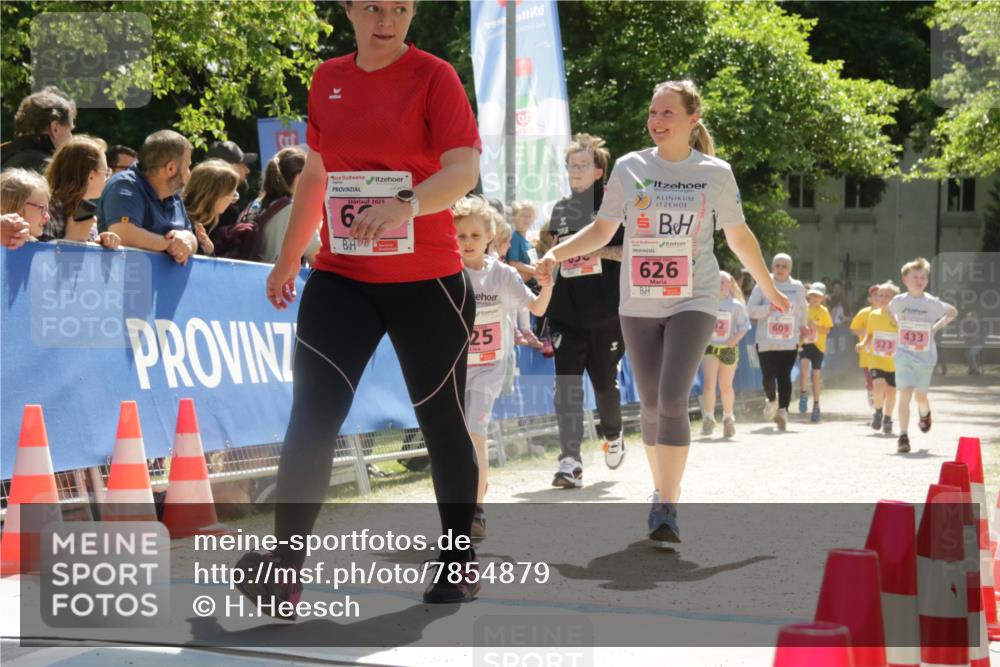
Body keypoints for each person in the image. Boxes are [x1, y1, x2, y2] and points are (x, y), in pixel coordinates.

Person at [233, 0, 483, 612]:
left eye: (400, 7)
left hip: (427, 279)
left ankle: (458, 558)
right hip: (342, 277)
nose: (386, 18)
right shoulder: (328, 78)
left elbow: (464, 169)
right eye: (373, 5)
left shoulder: (434, 76)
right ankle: (284, 568)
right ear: (349, 9)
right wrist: (291, 256)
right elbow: (316, 173)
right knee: (311, 420)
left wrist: (406, 204)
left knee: (441, 421)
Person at [537, 79, 788, 544]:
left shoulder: (716, 172)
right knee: (651, 403)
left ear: (693, 120)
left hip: (695, 296)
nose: (656, 121)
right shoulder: (631, 167)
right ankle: (660, 487)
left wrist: (768, 287)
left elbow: (738, 236)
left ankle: (667, 506)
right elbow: (601, 229)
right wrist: (559, 253)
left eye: (667, 113)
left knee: (672, 398)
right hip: (638, 301)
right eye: (652, 113)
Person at [454, 195, 553, 539]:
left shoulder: (502, 275)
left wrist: (548, 284)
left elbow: (537, 309)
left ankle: (475, 512)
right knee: (454, 441)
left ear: (490, 237)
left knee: (475, 433)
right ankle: (471, 496)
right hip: (452, 370)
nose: (467, 243)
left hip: (488, 367)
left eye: (475, 236)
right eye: (461, 236)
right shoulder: (445, 272)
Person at [543, 133, 628, 487]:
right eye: (570, 166)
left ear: (598, 172)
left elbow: (631, 253)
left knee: (604, 385)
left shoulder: (616, 206)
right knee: (566, 386)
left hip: (607, 312)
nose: (574, 171)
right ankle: (570, 461)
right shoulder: (560, 209)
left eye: (582, 166)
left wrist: (597, 251)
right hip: (566, 311)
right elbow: (551, 249)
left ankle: (613, 433)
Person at [887, 257, 958, 453]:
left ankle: (925, 413)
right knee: (905, 393)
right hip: (903, 354)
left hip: (925, 357)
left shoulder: (931, 302)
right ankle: (903, 436)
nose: (919, 280)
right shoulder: (900, 300)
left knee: (920, 396)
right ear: (905, 280)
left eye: (923, 277)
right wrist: (897, 323)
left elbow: (953, 312)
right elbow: (889, 310)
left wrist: (934, 329)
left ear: (926, 281)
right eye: (915, 277)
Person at [100, 130, 198, 265]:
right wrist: (171, 244)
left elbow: (191, 236)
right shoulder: (124, 184)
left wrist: (186, 241)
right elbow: (124, 234)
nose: (189, 174)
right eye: (187, 167)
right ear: (170, 168)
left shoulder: (174, 196)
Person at [747, 253, 807, 431]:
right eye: (777, 265)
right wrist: (769, 309)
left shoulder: (797, 287)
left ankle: (782, 411)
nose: (780, 269)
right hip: (766, 340)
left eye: (784, 266)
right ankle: (772, 399)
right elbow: (750, 310)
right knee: (767, 377)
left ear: (790, 269)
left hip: (789, 340)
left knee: (784, 376)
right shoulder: (763, 285)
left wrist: (803, 327)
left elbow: (802, 310)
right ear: (772, 267)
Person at [42, 135, 120, 249]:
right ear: (91, 177)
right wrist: (72, 240)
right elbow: (39, 261)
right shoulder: (46, 211)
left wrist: (100, 243)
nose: (107, 178)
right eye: (106, 172)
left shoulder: (85, 210)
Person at [700, 271, 750, 438]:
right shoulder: (706, 303)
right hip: (710, 348)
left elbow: (744, 327)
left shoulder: (736, 305)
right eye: (717, 281)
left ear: (730, 284)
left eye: (724, 282)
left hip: (728, 349)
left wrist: (734, 339)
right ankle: (708, 418)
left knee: (726, 386)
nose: (721, 284)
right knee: (708, 384)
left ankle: (728, 418)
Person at [252, 147, 317, 264]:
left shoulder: (254, 205)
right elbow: (317, 259)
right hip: (279, 280)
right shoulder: (295, 211)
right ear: (299, 177)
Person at [856, 280, 900, 436]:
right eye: (880, 295)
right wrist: (862, 343)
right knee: (878, 387)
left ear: (894, 298)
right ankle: (878, 413)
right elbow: (869, 335)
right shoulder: (873, 315)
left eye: (886, 295)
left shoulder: (901, 316)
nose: (882, 298)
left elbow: (906, 336)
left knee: (892, 393)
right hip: (876, 358)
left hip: (895, 361)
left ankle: (888, 419)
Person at [1, 86, 76, 173]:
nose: (71, 137)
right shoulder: (53, 172)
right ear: (55, 128)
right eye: (70, 130)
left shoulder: (5, 156)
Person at [182, 159, 241, 256]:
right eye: (231, 194)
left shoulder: (200, 220)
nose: (232, 201)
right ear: (214, 196)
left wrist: (209, 251)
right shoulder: (179, 220)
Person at [797, 282, 834, 422]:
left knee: (816, 376)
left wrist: (816, 327)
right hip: (805, 344)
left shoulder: (824, 311)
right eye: (812, 296)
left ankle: (816, 405)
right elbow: (797, 325)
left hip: (818, 346)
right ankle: (803, 394)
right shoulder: (803, 309)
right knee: (804, 369)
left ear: (823, 298)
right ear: (808, 296)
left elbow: (828, 330)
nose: (815, 299)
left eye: (818, 296)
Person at [207, 140, 258, 228]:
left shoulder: (203, 203)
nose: (247, 170)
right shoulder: (225, 210)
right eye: (242, 165)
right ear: (227, 167)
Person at [1, 168, 51, 244]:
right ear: (16, 208)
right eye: (42, 208)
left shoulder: (33, 246)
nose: (47, 216)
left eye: (47, 209)